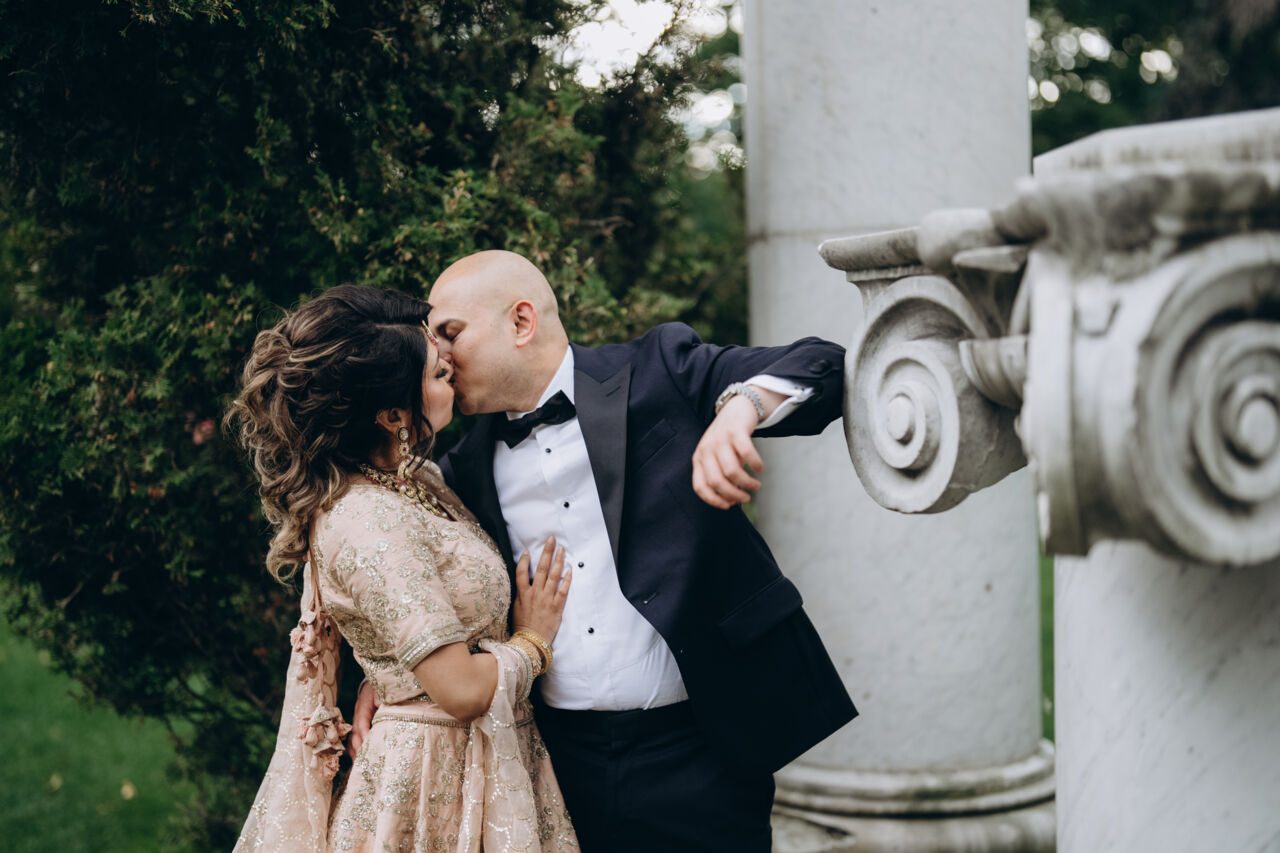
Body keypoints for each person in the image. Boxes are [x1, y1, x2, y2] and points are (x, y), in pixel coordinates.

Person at [350, 251, 858, 852]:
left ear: (521, 322)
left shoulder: (659, 369)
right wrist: (389, 675)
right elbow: (416, 585)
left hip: (703, 751)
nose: (438, 354)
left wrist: (738, 411)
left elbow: (825, 363)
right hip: (556, 763)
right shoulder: (462, 470)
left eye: (450, 332)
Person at [226, 284, 579, 852]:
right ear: (394, 415)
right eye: (439, 373)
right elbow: (460, 690)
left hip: (483, 757)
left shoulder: (418, 482)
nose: (454, 369)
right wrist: (533, 640)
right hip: (428, 780)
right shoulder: (366, 518)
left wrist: (390, 679)